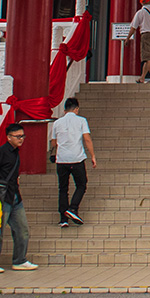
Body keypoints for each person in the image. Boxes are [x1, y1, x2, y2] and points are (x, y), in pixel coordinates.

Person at [0, 123, 38, 273]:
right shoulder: (0, 152)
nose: (21, 139)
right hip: (1, 196)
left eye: (22, 136)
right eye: (18, 136)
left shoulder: (15, 152)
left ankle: (19, 260)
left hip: (15, 196)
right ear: (8, 137)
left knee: (22, 229)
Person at [49, 97, 97, 227]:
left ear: (64, 110)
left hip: (61, 159)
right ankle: (73, 208)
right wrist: (92, 155)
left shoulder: (57, 123)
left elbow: (54, 142)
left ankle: (63, 219)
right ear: (76, 109)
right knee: (81, 184)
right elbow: (87, 139)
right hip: (77, 158)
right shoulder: (81, 120)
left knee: (63, 188)